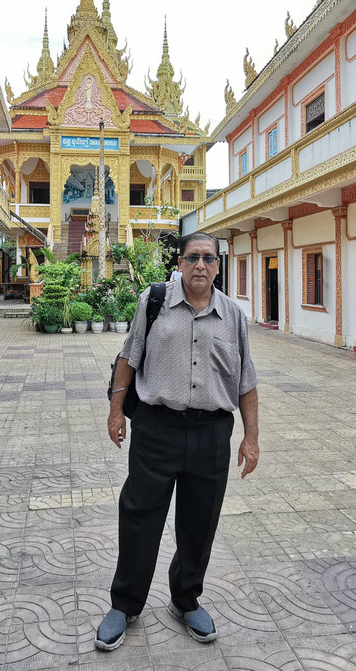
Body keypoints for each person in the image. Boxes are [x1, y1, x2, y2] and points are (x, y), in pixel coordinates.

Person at [95, 232, 259, 650]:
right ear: (180, 263)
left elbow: (246, 382)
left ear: (218, 265)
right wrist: (116, 411)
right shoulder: (154, 303)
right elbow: (129, 358)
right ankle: (125, 603)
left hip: (211, 433)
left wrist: (251, 437)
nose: (200, 265)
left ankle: (186, 598)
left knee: (200, 521)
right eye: (192, 258)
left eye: (208, 258)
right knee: (139, 514)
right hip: (156, 427)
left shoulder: (234, 317)